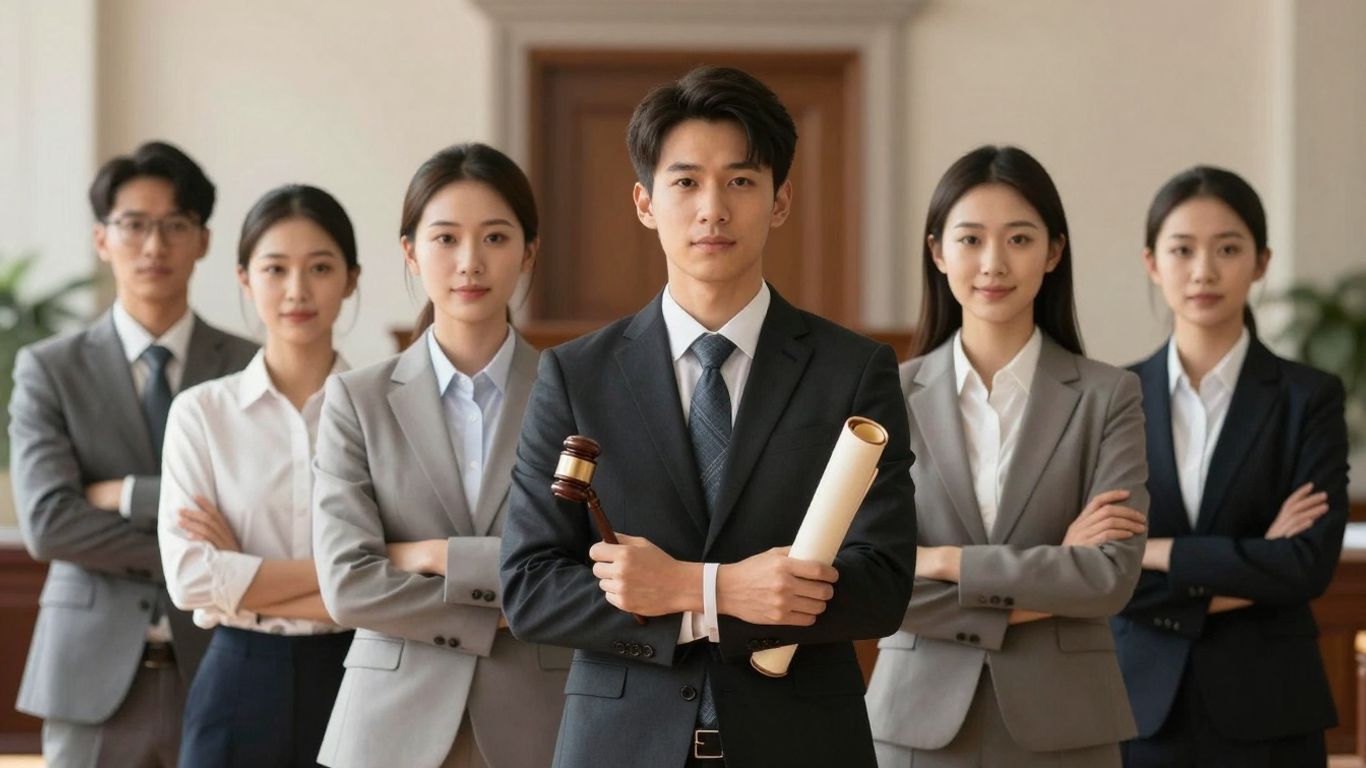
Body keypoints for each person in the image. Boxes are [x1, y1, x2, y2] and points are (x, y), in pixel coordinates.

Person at [500, 65, 918, 768]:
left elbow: (882, 586)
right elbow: (531, 587)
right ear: (645, 202)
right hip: (620, 748)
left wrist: (681, 585)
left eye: (741, 181)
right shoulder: (577, 374)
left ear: (780, 201)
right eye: (686, 181)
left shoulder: (853, 370)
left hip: (803, 747)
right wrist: (720, 593)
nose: (713, 209)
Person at [865, 145, 1147, 767]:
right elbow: (870, 581)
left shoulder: (1109, 396)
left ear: (1053, 252)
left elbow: (1110, 578)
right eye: (971, 239)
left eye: (1019, 238)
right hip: (914, 722)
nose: (994, 262)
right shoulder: (885, 394)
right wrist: (1056, 572)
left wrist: (943, 561)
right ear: (938, 251)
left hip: (1068, 726)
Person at [312, 143, 569, 768]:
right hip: (387, 728)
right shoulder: (356, 399)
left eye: (495, 238)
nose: (470, 262)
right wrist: (503, 600)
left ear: (528, 252)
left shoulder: (575, 395)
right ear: (411, 252)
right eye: (446, 238)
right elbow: (347, 585)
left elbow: (582, 574)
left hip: (540, 724)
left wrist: (430, 555)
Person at [10, 140, 257, 766]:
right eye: (134, 225)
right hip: (87, 674)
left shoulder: (249, 367)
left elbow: (257, 511)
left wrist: (123, 495)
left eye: (175, 225)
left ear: (203, 241)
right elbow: (49, 523)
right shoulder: (49, 368)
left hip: (222, 667)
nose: (154, 246)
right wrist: (201, 555)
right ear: (102, 238)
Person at [1113, 165, 1348, 767]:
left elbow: (1305, 566)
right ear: (1151, 263)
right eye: (1182, 249)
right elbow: (1100, 571)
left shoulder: (1308, 398)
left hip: (1272, 708)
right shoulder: (1112, 398)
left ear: (1261, 262)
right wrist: (1256, 559)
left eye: (1227, 249)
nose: (1203, 271)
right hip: (1136, 707)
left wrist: (1157, 551)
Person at [159, 184, 360, 767]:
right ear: (245, 279)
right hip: (238, 680)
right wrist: (354, 578)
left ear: (350, 279)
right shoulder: (202, 413)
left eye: (320, 267)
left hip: (359, 676)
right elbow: (191, 579)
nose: (297, 290)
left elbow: (402, 588)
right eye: (275, 269)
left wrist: (241, 577)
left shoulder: (381, 412)